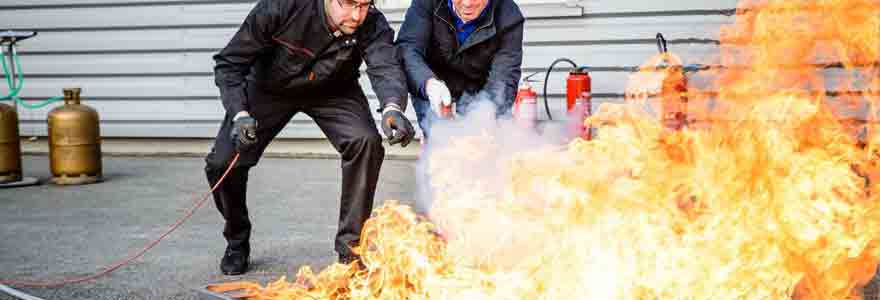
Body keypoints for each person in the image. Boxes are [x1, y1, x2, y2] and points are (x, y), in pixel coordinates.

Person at [205, 0, 415, 275]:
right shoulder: (280, 7)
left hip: (334, 89)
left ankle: (350, 250)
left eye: (364, 5)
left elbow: (385, 66)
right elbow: (229, 63)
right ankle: (236, 239)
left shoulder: (372, 22)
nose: (356, 15)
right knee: (222, 163)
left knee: (366, 142)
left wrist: (393, 108)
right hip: (269, 88)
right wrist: (240, 112)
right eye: (349, 4)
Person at [396, 0, 524, 140]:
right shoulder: (426, 3)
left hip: (480, 92)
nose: (467, 4)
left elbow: (504, 76)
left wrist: (488, 114)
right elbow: (408, 50)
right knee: (441, 143)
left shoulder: (508, 15)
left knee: (484, 143)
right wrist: (428, 83)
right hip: (432, 85)